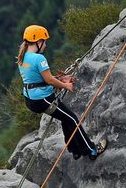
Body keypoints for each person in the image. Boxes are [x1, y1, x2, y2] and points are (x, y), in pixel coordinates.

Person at [18, 25, 106, 161]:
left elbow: (38, 79)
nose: (45, 45)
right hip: (43, 99)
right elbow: (48, 80)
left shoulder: (23, 58)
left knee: (66, 118)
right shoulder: (39, 59)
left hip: (31, 100)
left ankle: (75, 150)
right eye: (44, 41)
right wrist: (65, 85)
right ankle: (91, 150)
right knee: (72, 119)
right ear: (38, 41)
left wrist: (60, 79)